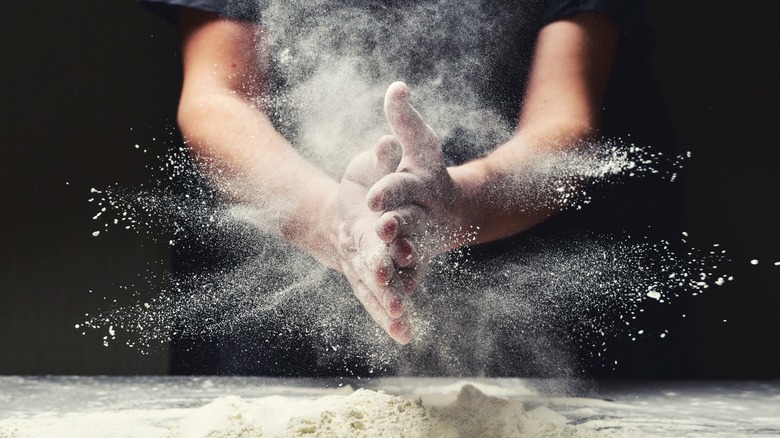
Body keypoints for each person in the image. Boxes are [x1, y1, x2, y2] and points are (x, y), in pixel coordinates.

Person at [139, 0, 689, 377]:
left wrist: (454, 205)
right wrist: (332, 218)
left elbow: (563, 125)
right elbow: (218, 101)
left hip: (526, 240)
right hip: (285, 262)